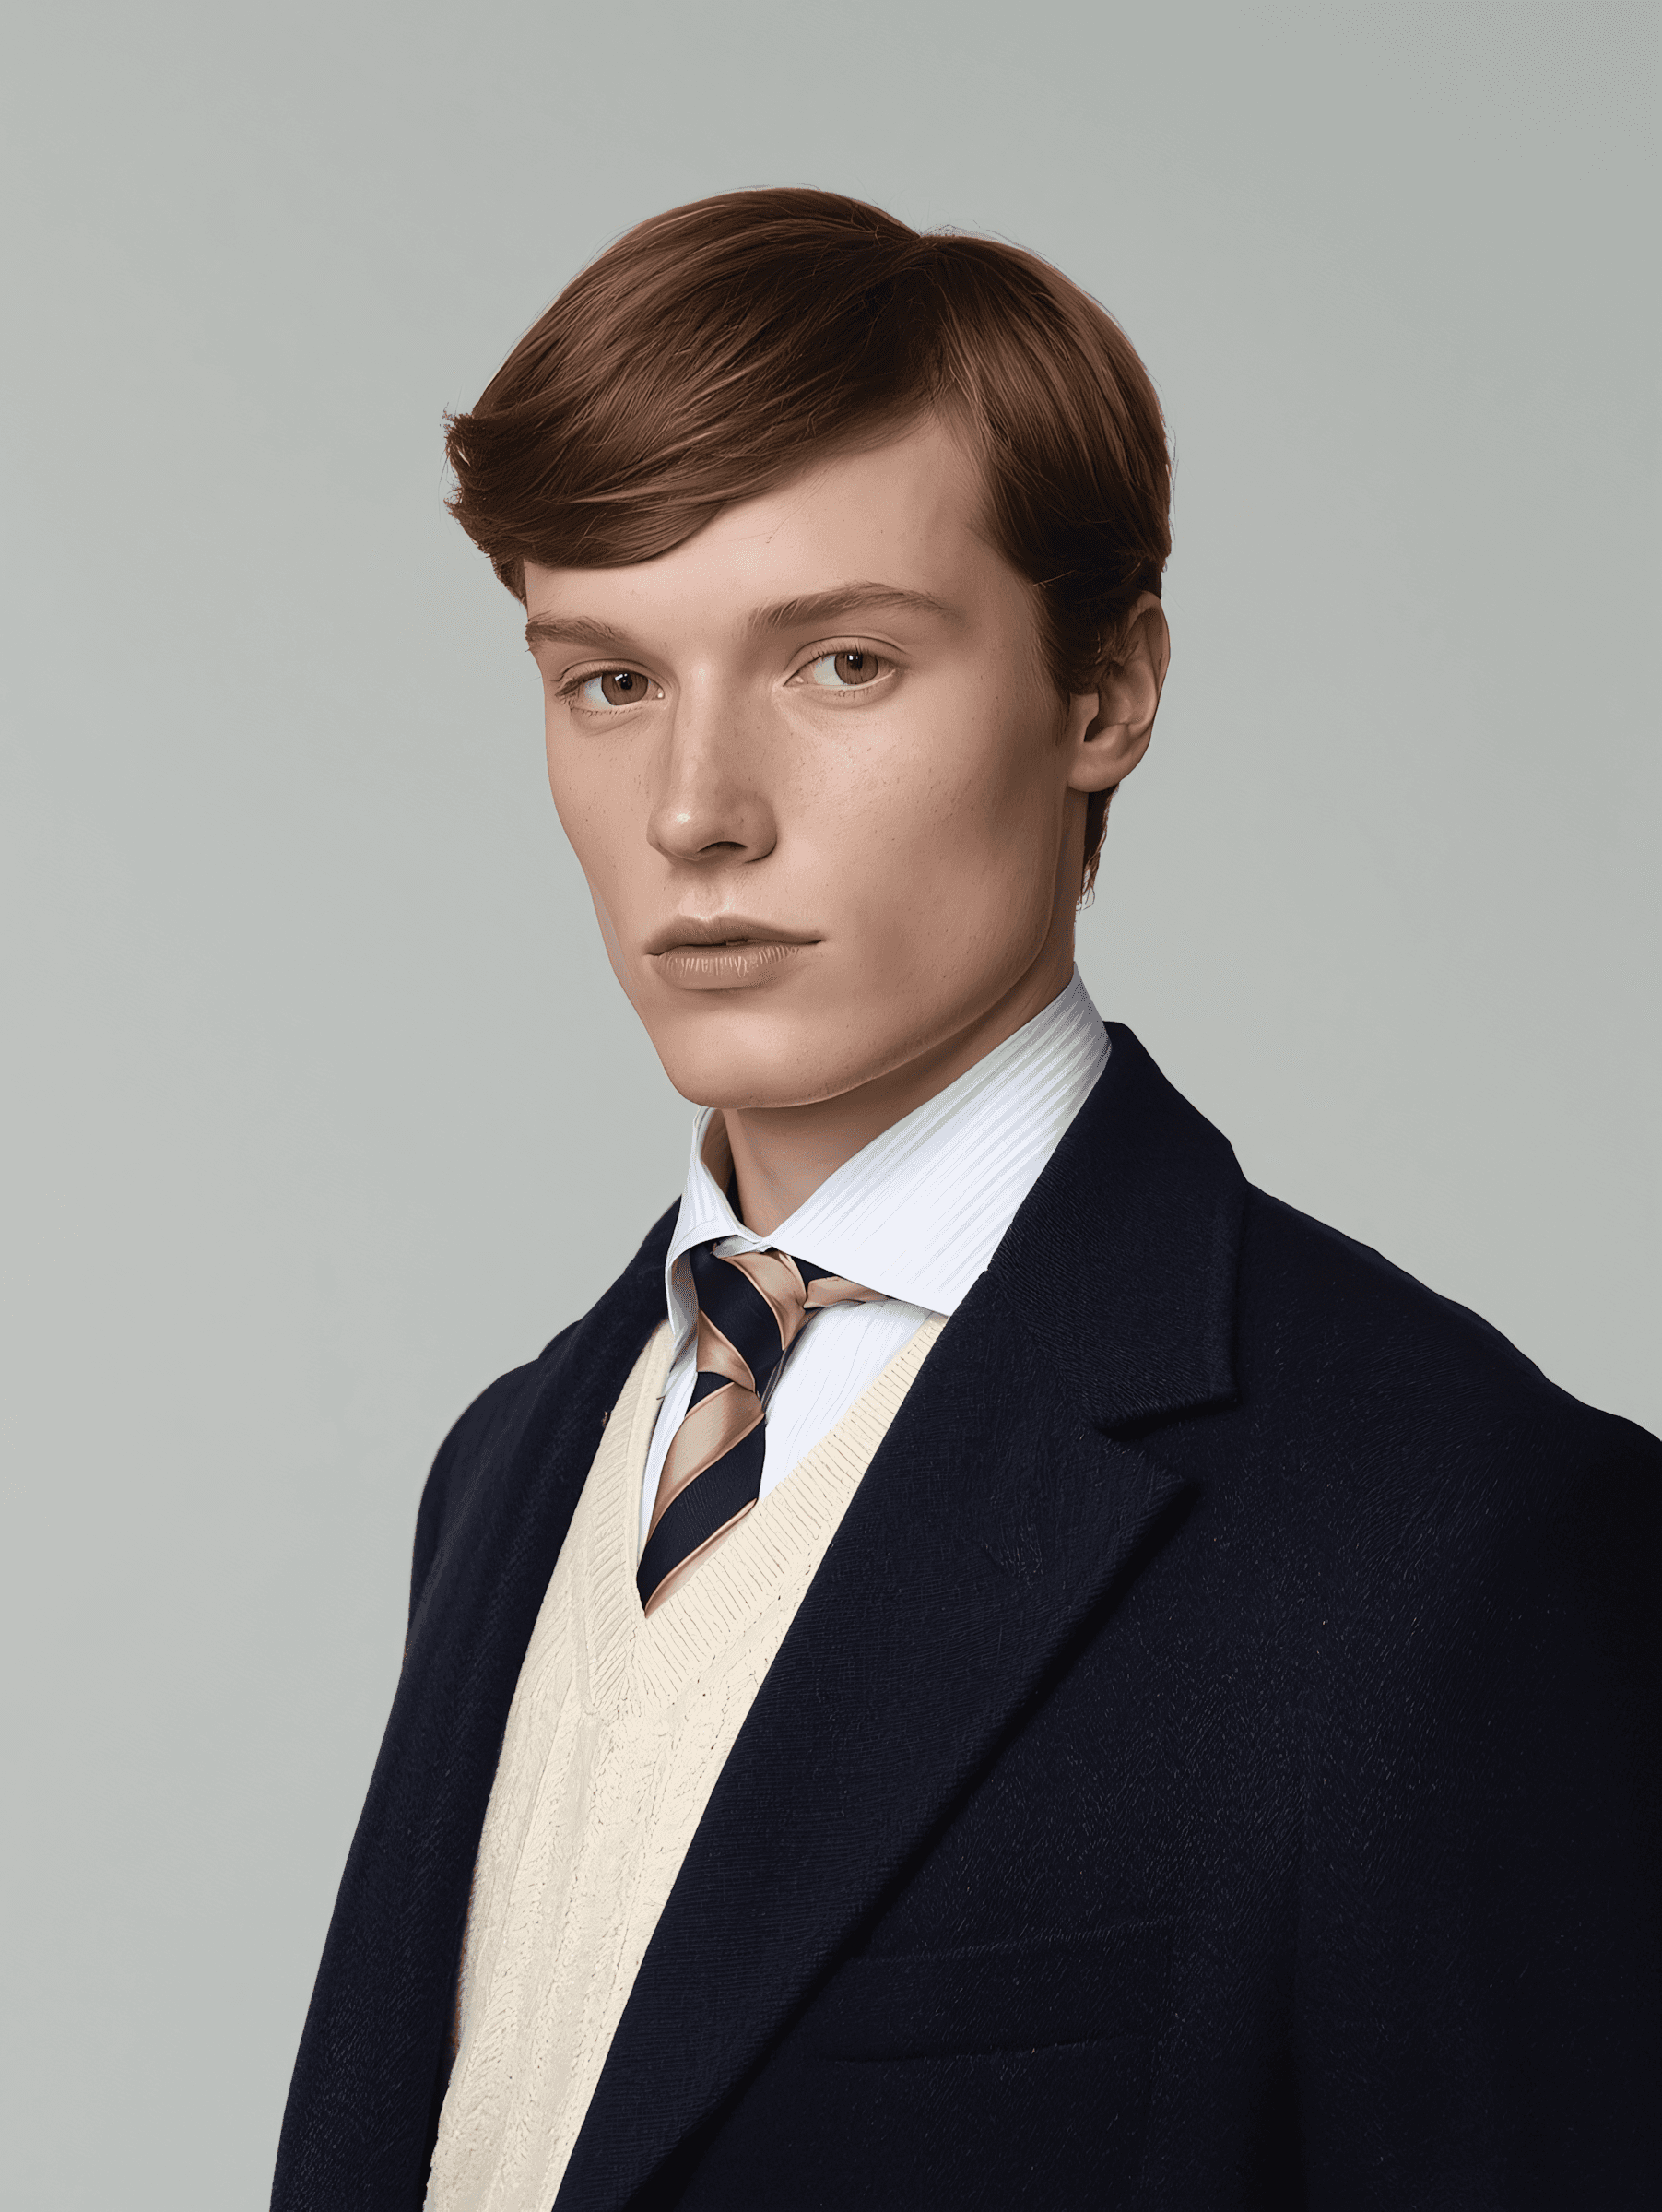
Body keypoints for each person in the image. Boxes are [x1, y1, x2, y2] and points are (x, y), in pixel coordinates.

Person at [271, 189, 1660, 2212]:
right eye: (606, 682)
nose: (694, 811)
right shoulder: (511, 1461)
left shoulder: (1457, 1530)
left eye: (839, 660)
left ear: (1103, 694)